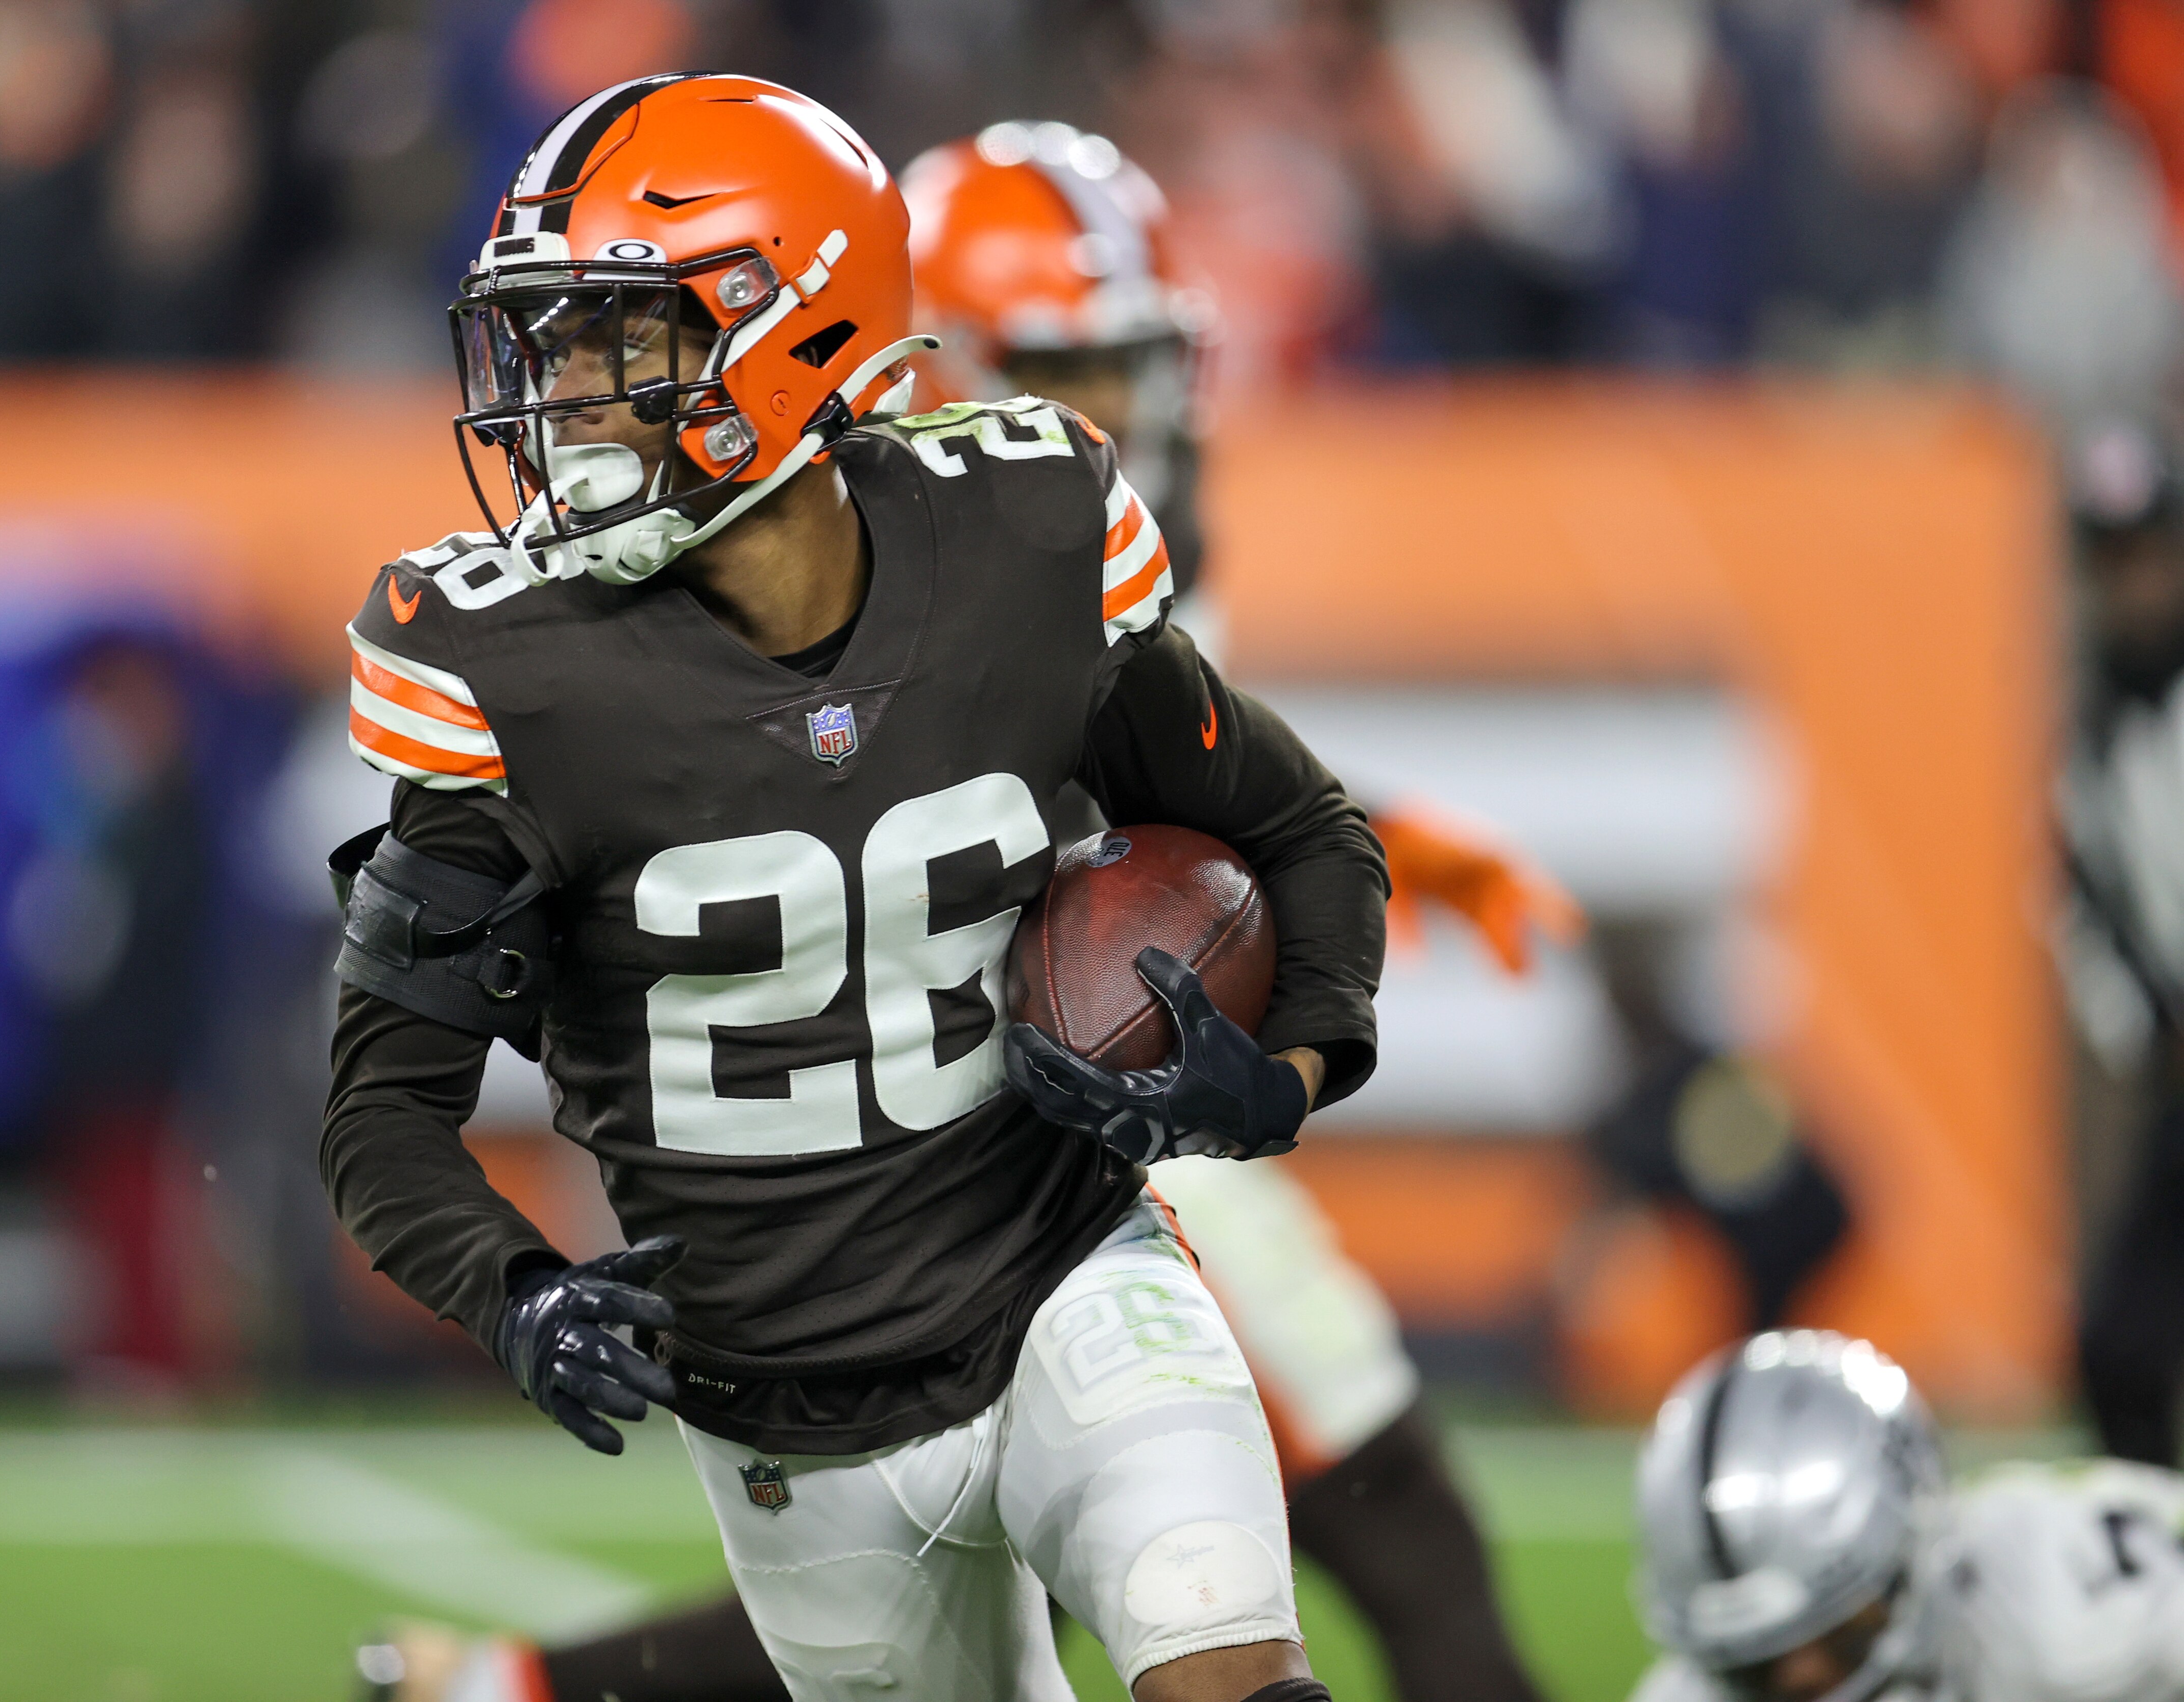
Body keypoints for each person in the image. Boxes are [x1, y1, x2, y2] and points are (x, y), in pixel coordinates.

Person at [352, 119, 1571, 1702]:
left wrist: (1286, 1069)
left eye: (619, 332)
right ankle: (521, 1682)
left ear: (797, 331)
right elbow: (380, 1098)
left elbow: (1256, 811)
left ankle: (513, 1681)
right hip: (782, 1355)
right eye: (558, 334)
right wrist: (511, 1290)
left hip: (1061, 1239)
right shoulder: (511, 667)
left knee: (1303, 1584)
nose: (565, 384)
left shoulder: (1023, 535)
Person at [1628, 1328, 2184, 1702]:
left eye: (1841, 1630)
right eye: (1748, 1664)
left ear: (1914, 1545)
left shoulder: (2068, 1602)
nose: (1802, 1678)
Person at [2059, 419, 2184, 1470]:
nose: (2135, 586)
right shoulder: (2096, 734)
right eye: (2113, 563)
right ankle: (2154, 1579)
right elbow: (2085, 902)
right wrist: (2140, 1021)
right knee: (2116, 1348)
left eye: (2149, 555)